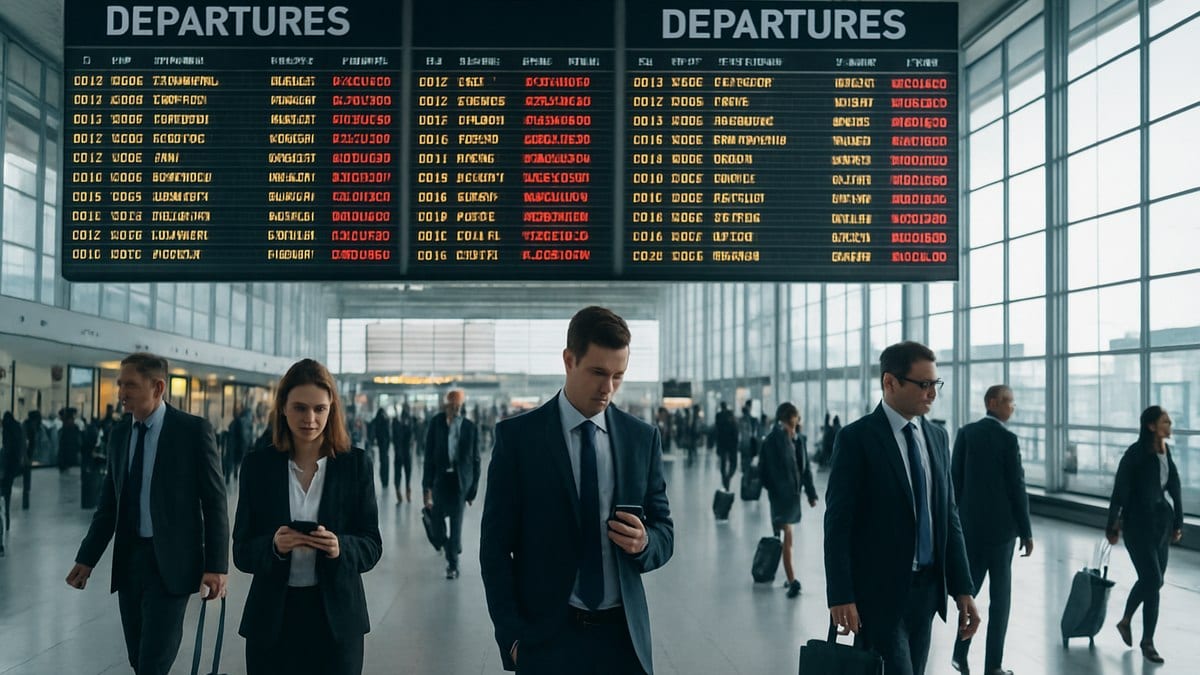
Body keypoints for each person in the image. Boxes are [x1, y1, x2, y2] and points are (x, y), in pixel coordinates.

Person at [480, 306, 674, 674]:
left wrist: (646, 542)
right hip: (548, 640)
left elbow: (665, 530)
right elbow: (493, 549)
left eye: (619, 376)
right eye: (598, 372)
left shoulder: (641, 439)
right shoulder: (519, 439)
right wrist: (513, 638)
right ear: (569, 360)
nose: (608, 388)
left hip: (623, 641)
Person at [65, 352, 229, 675]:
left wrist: (217, 566)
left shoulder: (192, 432)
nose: (121, 393)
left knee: (153, 663)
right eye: (120, 385)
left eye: (130, 385)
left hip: (172, 565)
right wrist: (86, 559)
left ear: (158, 388)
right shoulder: (119, 434)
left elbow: (215, 502)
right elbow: (108, 505)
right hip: (130, 562)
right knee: (138, 659)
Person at [824, 341, 979, 675]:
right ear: (889, 382)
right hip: (877, 595)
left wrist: (962, 588)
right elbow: (838, 523)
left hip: (926, 595)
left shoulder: (937, 437)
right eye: (923, 384)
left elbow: (948, 517)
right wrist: (840, 595)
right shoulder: (857, 439)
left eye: (935, 383)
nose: (932, 393)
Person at [233, 359, 382, 675]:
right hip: (272, 618)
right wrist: (273, 546)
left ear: (332, 410)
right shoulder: (258, 466)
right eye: (300, 408)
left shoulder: (355, 465)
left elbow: (371, 544)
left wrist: (339, 546)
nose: (310, 419)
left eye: (319, 409)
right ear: (283, 408)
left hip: (338, 620)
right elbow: (241, 551)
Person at [950, 385, 1034, 675]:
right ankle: (993, 666)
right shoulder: (1008, 440)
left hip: (969, 530)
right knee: (1001, 600)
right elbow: (1017, 487)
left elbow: (954, 482)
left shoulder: (966, 433)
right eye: (1009, 402)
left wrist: (953, 525)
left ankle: (959, 654)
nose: (1012, 407)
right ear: (993, 402)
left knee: (968, 593)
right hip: (1001, 534)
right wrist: (1026, 531)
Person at [1106, 405, 1184, 665]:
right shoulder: (1136, 453)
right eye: (1165, 420)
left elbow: (1174, 485)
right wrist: (1112, 524)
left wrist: (1178, 522)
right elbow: (1121, 489)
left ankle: (1129, 623)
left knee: (1155, 583)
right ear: (1151, 426)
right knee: (1152, 579)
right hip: (1138, 526)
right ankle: (1146, 642)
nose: (1170, 423)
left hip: (1161, 524)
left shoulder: (1165, 450)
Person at [759, 402, 818, 598]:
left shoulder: (798, 441)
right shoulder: (771, 442)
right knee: (787, 537)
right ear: (780, 422)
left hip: (792, 497)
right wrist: (775, 490)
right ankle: (792, 579)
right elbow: (764, 472)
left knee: (783, 537)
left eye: (795, 424)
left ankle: (769, 567)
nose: (792, 429)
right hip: (779, 498)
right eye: (789, 424)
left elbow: (805, 469)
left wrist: (811, 494)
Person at [422, 389, 480, 579]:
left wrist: (472, 491)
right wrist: (426, 486)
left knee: (456, 525)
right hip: (441, 480)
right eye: (452, 404)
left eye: (458, 405)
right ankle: (450, 547)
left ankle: (453, 564)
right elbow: (428, 455)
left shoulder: (470, 427)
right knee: (437, 526)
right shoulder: (436, 423)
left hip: (459, 483)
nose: (455, 408)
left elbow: (476, 460)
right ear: (445, 404)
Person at [391, 405, 414, 503]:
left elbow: (394, 437)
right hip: (406, 453)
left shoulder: (396, 423)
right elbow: (411, 436)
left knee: (398, 473)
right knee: (407, 472)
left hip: (398, 452)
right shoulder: (409, 423)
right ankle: (407, 489)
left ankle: (398, 488)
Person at [715, 402, 738, 491]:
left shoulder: (718, 416)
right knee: (733, 463)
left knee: (723, 463)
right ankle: (728, 477)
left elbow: (717, 430)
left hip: (722, 443)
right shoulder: (730, 415)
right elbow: (735, 428)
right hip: (732, 443)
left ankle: (724, 479)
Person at [371, 408, 391, 489]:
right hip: (385, 444)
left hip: (380, 444)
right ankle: (385, 481)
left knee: (382, 462)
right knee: (385, 462)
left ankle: (383, 480)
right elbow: (388, 434)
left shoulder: (376, 420)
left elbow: (373, 431)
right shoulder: (385, 421)